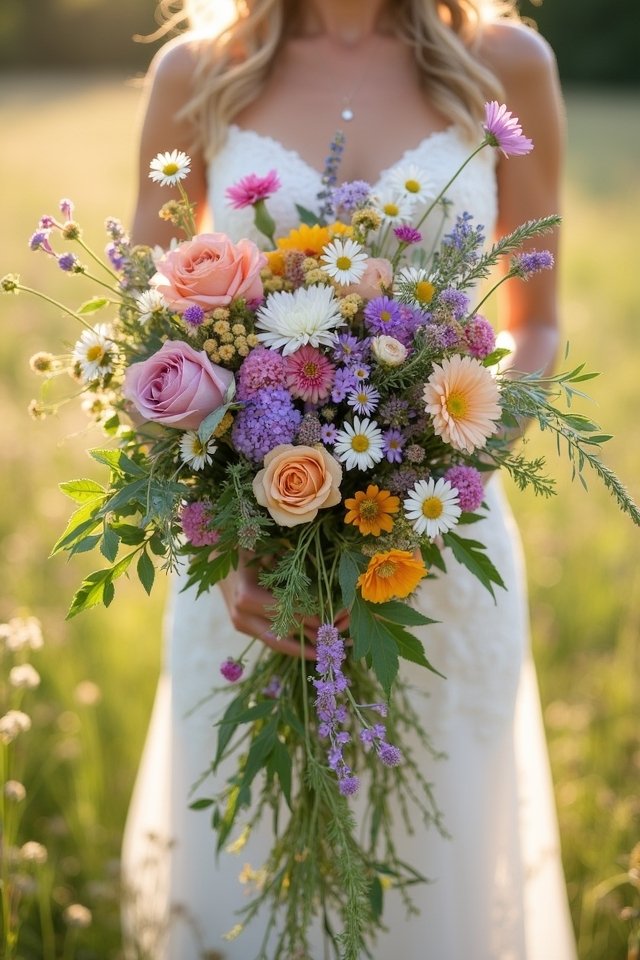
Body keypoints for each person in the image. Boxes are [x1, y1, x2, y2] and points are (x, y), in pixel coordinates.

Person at [121, 1, 577, 957]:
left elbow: (535, 320)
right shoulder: (197, 73)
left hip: (439, 532)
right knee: (246, 867)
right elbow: (144, 329)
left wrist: (454, 467)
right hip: (244, 567)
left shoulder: (507, 63)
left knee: (431, 854)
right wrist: (244, 536)